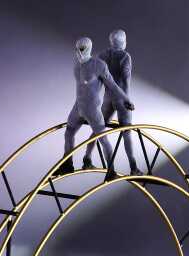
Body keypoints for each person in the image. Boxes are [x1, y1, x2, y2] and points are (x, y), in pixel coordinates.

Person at [56, 37, 135, 180]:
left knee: (103, 139)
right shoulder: (77, 63)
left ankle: (111, 171)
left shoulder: (99, 65)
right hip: (78, 106)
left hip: (92, 109)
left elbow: (112, 85)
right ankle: (68, 164)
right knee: (68, 133)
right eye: (77, 49)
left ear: (89, 48)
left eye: (82, 49)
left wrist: (126, 99)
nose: (79, 53)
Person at [97, 29, 141, 174]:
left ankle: (110, 168)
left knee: (100, 130)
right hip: (121, 98)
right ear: (123, 42)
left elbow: (97, 79)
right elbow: (126, 80)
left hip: (107, 98)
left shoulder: (102, 55)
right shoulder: (125, 57)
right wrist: (127, 100)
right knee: (126, 132)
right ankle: (133, 167)